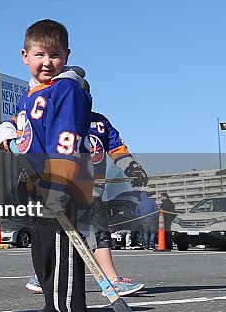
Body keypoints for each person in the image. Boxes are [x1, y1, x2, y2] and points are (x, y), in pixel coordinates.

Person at [0, 19, 94, 312]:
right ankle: (50, 310)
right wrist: (9, 127)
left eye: (54, 55)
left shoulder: (67, 89)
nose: (47, 62)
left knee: (61, 251)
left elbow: (67, 136)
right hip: (36, 183)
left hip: (59, 182)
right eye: (39, 55)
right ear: (25, 56)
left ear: (66, 55)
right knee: (42, 252)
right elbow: (27, 127)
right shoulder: (33, 93)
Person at [23, 80, 148, 297]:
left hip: (91, 188)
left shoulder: (99, 123)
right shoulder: (53, 118)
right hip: (58, 185)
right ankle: (45, 276)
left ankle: (108, 279)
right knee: (57, 232)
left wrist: (132, 168)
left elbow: (116, 147)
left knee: (97, 231)